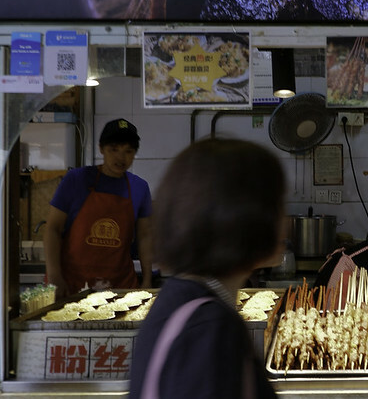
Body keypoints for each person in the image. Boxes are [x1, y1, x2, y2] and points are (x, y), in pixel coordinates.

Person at [129, 138, 284, 399]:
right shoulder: (208, 328)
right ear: (247, 217)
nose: (285, 220)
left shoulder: (183, 301)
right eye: (278, 203)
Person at [44, 118, 153, 298]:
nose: (121, 158)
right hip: (73, 287)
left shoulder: (139, 187)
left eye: (128, 151)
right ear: (101, 149)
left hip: (119, 289)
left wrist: (147, 280)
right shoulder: (76, 180)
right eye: (114, 149)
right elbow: (53, 229)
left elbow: (144, 236)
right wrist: (55, 276)